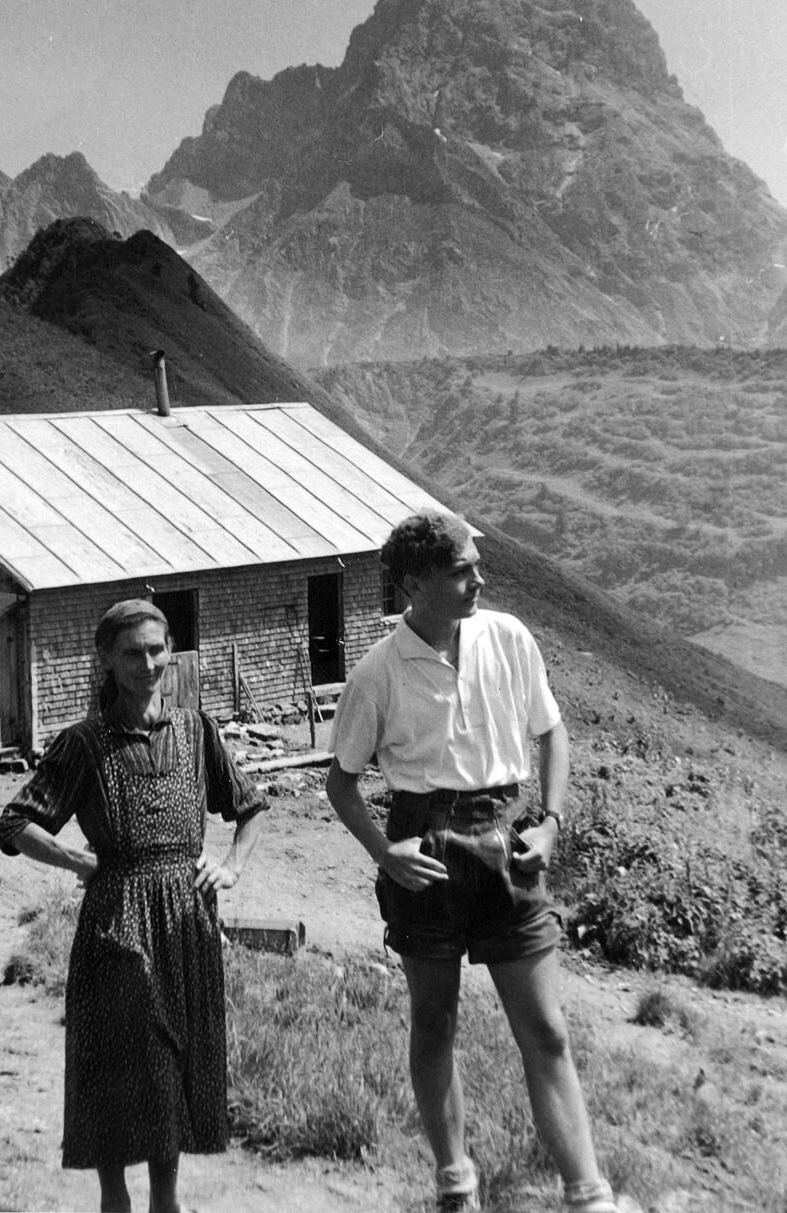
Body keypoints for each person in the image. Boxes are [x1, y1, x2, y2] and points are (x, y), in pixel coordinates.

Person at [326, 511, 620, 1213]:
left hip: (506, 840)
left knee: (546, 1028)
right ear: (412, 584)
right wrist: (384, 852)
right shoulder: (378, 672)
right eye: (461, 571)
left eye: (475, 566)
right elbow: (342, 782)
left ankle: (588, 1193)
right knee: (435, 1020)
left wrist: (550, 823)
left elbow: (552, 731)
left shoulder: (508, 636)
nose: (478, 579)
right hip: (425, 847)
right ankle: (456, 1180)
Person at [0, 599, 267, 1213]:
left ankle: (165, 1202)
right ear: (107, 661)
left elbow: (250, 808)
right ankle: (114, 1197)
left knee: (172, 1061)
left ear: (170, 651)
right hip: (117, 919)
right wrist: (78, 861)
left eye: (156, 650)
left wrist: (230, 866)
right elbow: (14, 825)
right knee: (119, 1061)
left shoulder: (195, 731)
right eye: (132, 653)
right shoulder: (84, 743)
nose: (147, 664)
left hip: (188, 919)